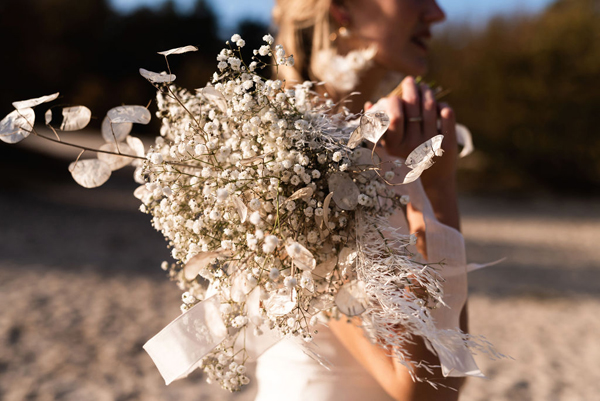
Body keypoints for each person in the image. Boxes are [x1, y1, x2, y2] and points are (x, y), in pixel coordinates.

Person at [254, 0, 469, 400]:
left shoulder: (385, 146)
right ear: (342, 10)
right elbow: (428, 389)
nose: (437, 13)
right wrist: (437, 192)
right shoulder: (298, 166)